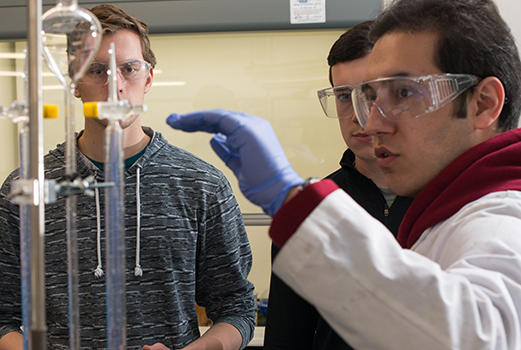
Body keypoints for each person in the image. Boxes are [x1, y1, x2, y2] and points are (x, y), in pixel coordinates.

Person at [167, 0, 521, 348]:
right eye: (366, 97)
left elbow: (473, 336)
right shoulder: (446, 212)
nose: (372, 121)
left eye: (403, 92)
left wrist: (291, 198)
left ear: (483, 103)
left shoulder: (503, 217)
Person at [0, 4, 255, 350]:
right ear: (73, 82)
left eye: (129, 69)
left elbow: (238, 309)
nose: (114, 86)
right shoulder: (29, 189)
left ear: (149, 78)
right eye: (97, 71)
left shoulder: (202, 185)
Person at [263, 21, 413, 350]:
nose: (360, 114)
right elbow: (286, 337)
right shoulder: (312, 209)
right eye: (345, 96)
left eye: (373, 94)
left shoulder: (449, 201)